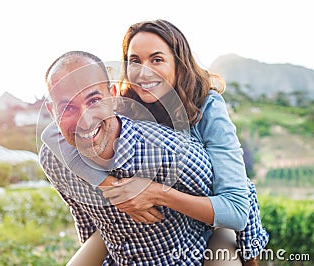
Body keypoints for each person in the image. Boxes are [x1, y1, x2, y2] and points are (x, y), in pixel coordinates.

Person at [42, 19, 269, 265]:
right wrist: (110, 186)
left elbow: (236, 204)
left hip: (206, 216)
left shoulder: (208, 107)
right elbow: (52, 136)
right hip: (142, 221)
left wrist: (157, 193)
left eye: (157, 59)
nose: (143, 72)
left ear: (178, 64)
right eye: (135, 61)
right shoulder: (124, 104)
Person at [40, 50, 219, 265]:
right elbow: (86, 220)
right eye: (67, 107)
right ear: (52, 112)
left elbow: (237, 203)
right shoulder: (54, 160)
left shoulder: (171, 152)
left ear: (113, 96)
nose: (84, 121)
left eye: (94, 100)